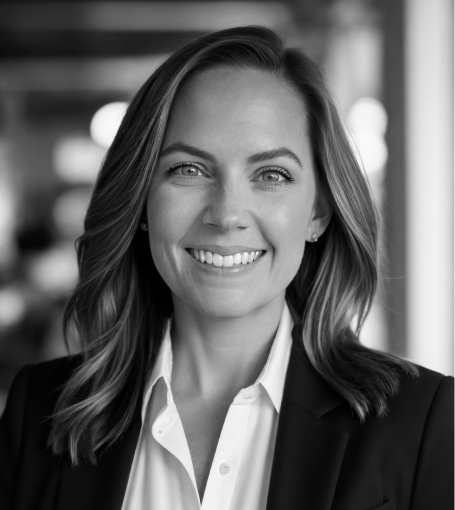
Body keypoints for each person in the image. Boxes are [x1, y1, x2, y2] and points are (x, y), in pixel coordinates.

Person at [0, 26, 452, 510]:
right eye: (188, 170)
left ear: (318, 212)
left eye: (271, 175)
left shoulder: (422, 422)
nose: (227, 215)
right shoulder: (40, 411)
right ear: (142, 203)